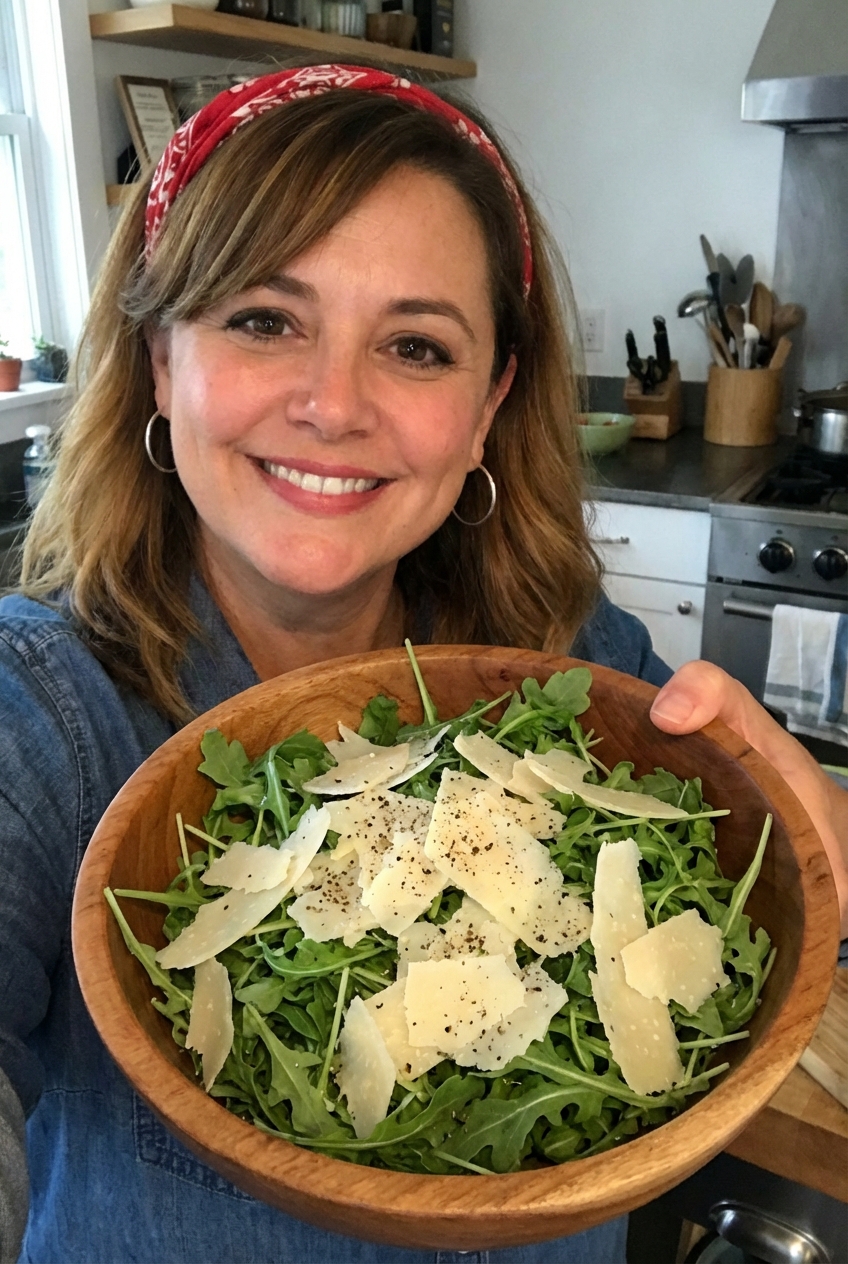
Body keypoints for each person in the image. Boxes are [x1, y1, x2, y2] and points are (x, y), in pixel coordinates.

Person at [0, 65, 845, 1264]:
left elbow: (781, 910)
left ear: (489, 400)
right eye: (262, 319)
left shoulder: (567, 655)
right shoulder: (42, 712)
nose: (333, 404)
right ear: (156, 357)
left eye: (413, 345)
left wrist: (821, 865)